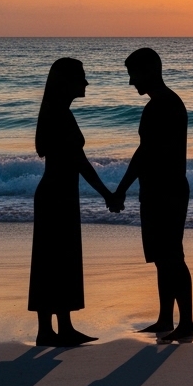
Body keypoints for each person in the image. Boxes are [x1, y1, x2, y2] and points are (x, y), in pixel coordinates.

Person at [108, 47, 193, 343]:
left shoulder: (161, 105)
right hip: (162, 189)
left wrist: (120, 190)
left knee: (172, 256)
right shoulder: (166, 103)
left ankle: (186, 323)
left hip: (166, 191)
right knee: (162, 257)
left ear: (149, 71)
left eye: (133, 74)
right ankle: (166, 318)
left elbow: (144, 154)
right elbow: (144, 152)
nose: (131, 81)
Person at [29, 57, 115, 347]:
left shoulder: (55, 112)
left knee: (53, 260)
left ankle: (57, 328)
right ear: (66, 83)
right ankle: (52, 330)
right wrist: (107, 194)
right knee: (57, 259)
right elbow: (80, 162)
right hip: (58, 195)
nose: (86, 83)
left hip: (55, 194)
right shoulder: (61, 116)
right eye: (81, 77)